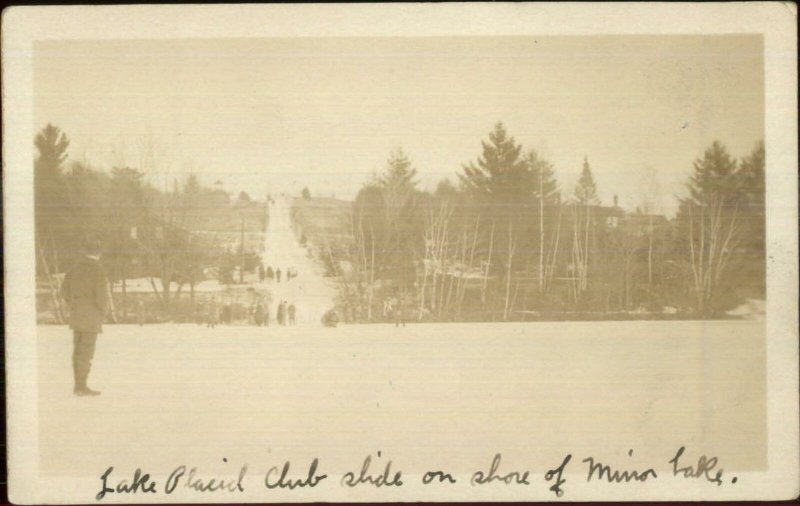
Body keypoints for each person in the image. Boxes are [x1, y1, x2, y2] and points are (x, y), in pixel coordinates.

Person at [60, 237, 109, 396]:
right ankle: (81, 387)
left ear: (85, 252)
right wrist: (103, 312)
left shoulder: (73, 269)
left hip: (76, 315)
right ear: (99, 252)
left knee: (77, 350)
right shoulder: (98, 270)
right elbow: (101, 296)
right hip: (92, 316)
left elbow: (65, 292)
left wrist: (76, 305)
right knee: (86, 352)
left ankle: (78, 385)